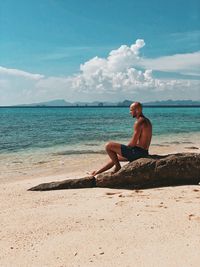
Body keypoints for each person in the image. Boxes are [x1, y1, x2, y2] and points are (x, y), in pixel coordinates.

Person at [91, 102, 152, 176]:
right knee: (115, 158)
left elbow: (133, 143)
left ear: (137, 110)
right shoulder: (147, 121)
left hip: (137, 153)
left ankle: (118, 167)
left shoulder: (139, 122)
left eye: (131, 110)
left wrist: (124, 149)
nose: (130, 112)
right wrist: (122, 150)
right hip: (144, 152)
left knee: (108, 145)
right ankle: (96, 173)